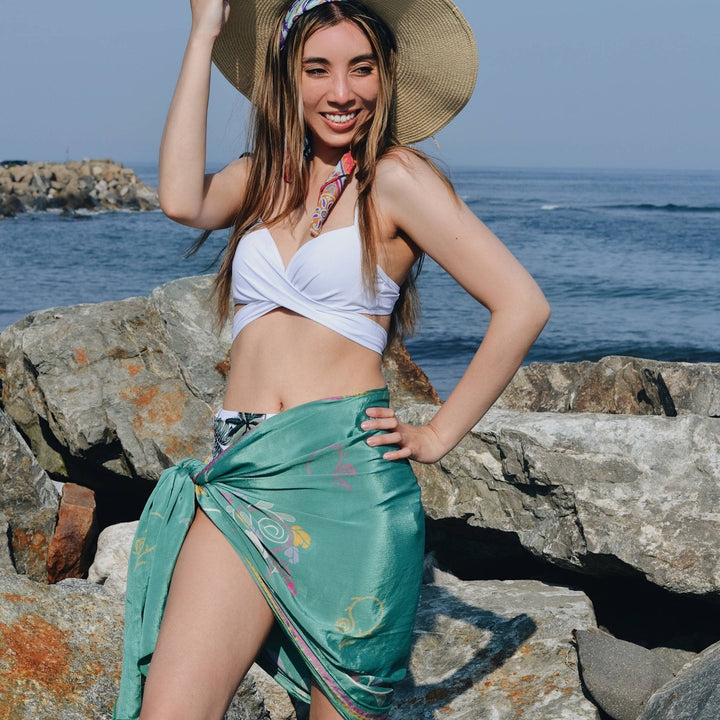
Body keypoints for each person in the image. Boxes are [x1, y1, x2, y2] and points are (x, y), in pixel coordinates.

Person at [114, 1, 550, 719]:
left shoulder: (397, 178)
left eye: (361, 68)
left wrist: (438, 435)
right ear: (288, 78)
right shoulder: (261, 175)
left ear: (386, 79)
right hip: (242, 474)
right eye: (317, 69)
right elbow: (179, 199)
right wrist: (203, 35)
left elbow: (522, 304)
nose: (341, 92)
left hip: (350, 486)